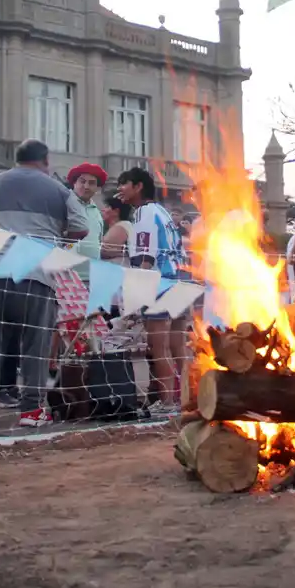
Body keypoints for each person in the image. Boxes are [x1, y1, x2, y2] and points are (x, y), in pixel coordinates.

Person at [0, 140, 87, 428]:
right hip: (37, 275)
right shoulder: (57, 189)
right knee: (35, 345)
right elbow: (82, 226)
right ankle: (31, 411)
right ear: (44, 160)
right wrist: (58, 239)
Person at [118, 166, 186, 415]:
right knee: (179, 345)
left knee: (159, 346)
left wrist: (138, 294)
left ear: (138, 187)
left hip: (159, 282)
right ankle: (187, 397)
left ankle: (167, 403)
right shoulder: (164, 213)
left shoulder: (143, 213)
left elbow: (145, 255)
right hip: (181, 279)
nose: (119, 189)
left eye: (123, 184)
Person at [66, 163, 107, 276]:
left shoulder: (96, 211)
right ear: (74, 183)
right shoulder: (64, 202)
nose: (86, 186)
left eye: (92, 183)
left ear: (97, 188)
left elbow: (99, 243)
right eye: (82, 181)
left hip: (91, 276)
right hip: (65, 276)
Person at [100, 195, 135, 267]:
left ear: (116, 211)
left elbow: (103, 251)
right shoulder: (123, 226)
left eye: (107, 207)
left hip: (118, 270)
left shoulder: (121, 226)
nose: (102, 210)